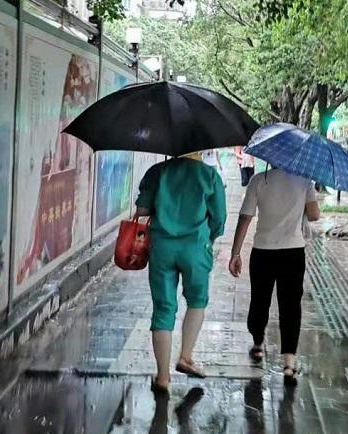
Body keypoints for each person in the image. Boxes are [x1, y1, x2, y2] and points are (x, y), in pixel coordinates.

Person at [135, 152, 226, 392]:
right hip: (196, 248)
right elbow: (219, 219)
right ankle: (186, 357)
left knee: (163, 309)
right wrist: (208, 237)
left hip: (161, 249)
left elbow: (142, 210)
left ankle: (163, 377)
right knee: (197, 301)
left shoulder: (157, 172)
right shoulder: (209, 176)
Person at [228, 166, 321, 385]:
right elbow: (314, 215)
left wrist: (235, 253)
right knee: (291, 306)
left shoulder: (259, 180)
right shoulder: (304, 180)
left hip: (263, 251)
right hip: (293, 252)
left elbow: (245, 217)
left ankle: (258, 343)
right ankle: (289, 363)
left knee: (260, 300)